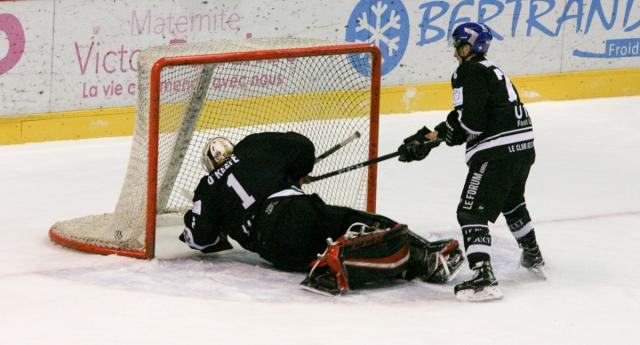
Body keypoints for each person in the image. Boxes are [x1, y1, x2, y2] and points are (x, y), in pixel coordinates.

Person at [180, 131, 464, 295]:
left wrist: (220, 224)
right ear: (231, 148)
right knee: (352, 221)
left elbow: (199, 240)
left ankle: (329, 267)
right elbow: (303, 145)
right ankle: (426, 256)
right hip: (294, 211)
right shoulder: (252, 147)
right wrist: (297, 173)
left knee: (316, 248)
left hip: (274, 250)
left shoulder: (206, 188)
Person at [397, 22, 544, 301]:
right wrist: (431, 136)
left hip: (497, 151)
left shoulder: (468, 71)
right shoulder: (491, 70)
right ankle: (533, 255)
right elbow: (470, 116)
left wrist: (443, 137)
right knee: (511, 202)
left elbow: (471, 124)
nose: (455, 52)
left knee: (470, 212)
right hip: (523, 146)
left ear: (469, 46)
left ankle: (483, 277)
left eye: (458, 45)